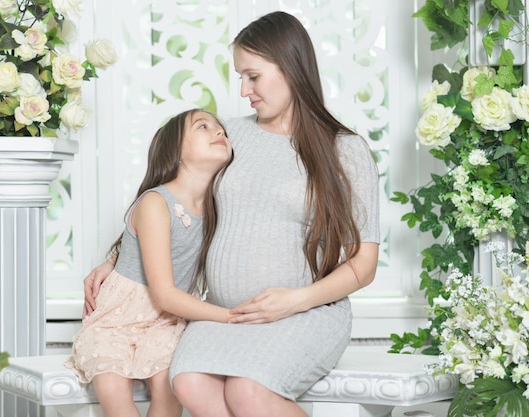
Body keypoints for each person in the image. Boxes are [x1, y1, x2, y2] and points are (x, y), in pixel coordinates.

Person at [83, 10, 380, 417]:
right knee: (189, 381)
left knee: (248, 393)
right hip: (226, 315)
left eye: (252, 76)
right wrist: (120, 258)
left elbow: (364, 264)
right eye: (241, 77)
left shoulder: (346, 150)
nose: (244, 90)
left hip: (306, 312)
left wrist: (295, 301)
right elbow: (177, 200)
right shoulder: (231, 136)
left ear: (291, 67)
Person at [66, 108, 233, 417]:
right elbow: (164, 293)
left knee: (171, 388)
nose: (219, 131)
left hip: (167, 321)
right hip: (119, 317)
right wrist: (231, 316)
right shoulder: (157, 202)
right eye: (203, 126)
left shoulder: (220, 205)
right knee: (113, 388)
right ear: (176, 151)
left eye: (221, 128)